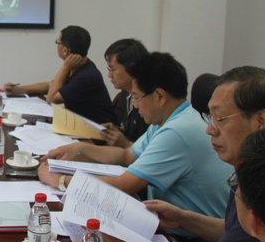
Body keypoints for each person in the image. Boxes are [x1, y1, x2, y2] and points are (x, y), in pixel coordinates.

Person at [102, 67, 265, 242]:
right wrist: (185, 219)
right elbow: (238, 234)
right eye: (209, 118)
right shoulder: (252, 168)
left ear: (260, 121)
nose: (210, 130)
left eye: (220, 119)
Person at [39, 52, 232, 224]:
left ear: (160, 96)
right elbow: (126, 155)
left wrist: (59, 180)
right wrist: (80, 148)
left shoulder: (177, 131)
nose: (135, 105)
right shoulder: (169, 119)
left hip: (186, 241)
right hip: (166, 221)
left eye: (137, 97)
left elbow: (123, 186)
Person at [4, 25, 115, 125]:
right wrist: (18, 89)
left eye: (58, 42)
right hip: (77, 124)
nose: (57, 45)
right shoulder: (78, 65)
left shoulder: (86, 76)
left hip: (97, 132)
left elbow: (51, 99)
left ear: (65, 50)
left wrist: (65, 67)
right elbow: (50, 86)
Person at [100, 38, 149, 148]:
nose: (109, 75)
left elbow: (154, 151)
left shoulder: (149, 102)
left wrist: (126, 144)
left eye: (112, 69)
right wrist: (117, 131)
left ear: (132, 67)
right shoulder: (125, 94)